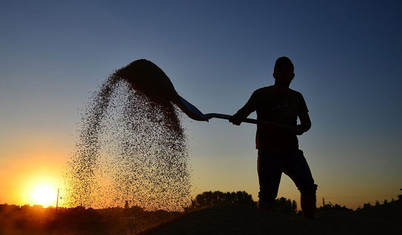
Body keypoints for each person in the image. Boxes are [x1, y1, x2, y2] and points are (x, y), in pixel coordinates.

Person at [229, 56, 317, 219]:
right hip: (268, 152)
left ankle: (309, 225)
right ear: (274, 74)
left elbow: (306, 123)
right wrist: (237, 117)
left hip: (291, 151)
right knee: (268, 196)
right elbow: (244, 111)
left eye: (288, 71)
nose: (284, 74)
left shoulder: (297, 97)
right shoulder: (261, 94)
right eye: (280, 71)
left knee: (308, 187)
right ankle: (264, 227)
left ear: (293, 75)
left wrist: (301, 128)